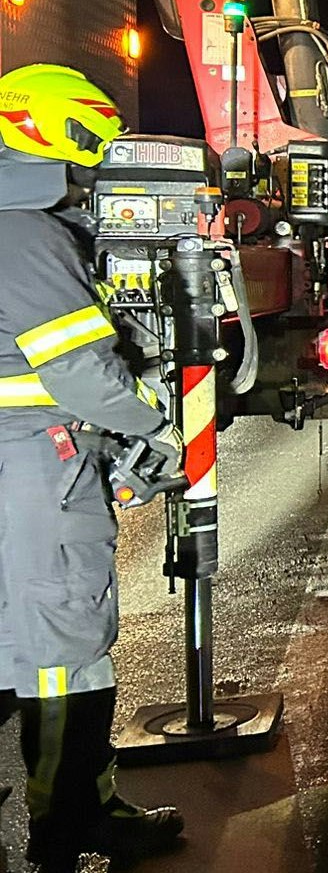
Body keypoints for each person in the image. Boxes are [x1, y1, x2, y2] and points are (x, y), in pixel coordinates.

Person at [0, 64, 185, 869]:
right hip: (36, 471)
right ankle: (73, 825)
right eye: (91, 141)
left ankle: (71, 812)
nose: (97, 160)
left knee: (16, 640)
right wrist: (155, 424)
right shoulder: (28, 232)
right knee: (67, 649)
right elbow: (75, 372)